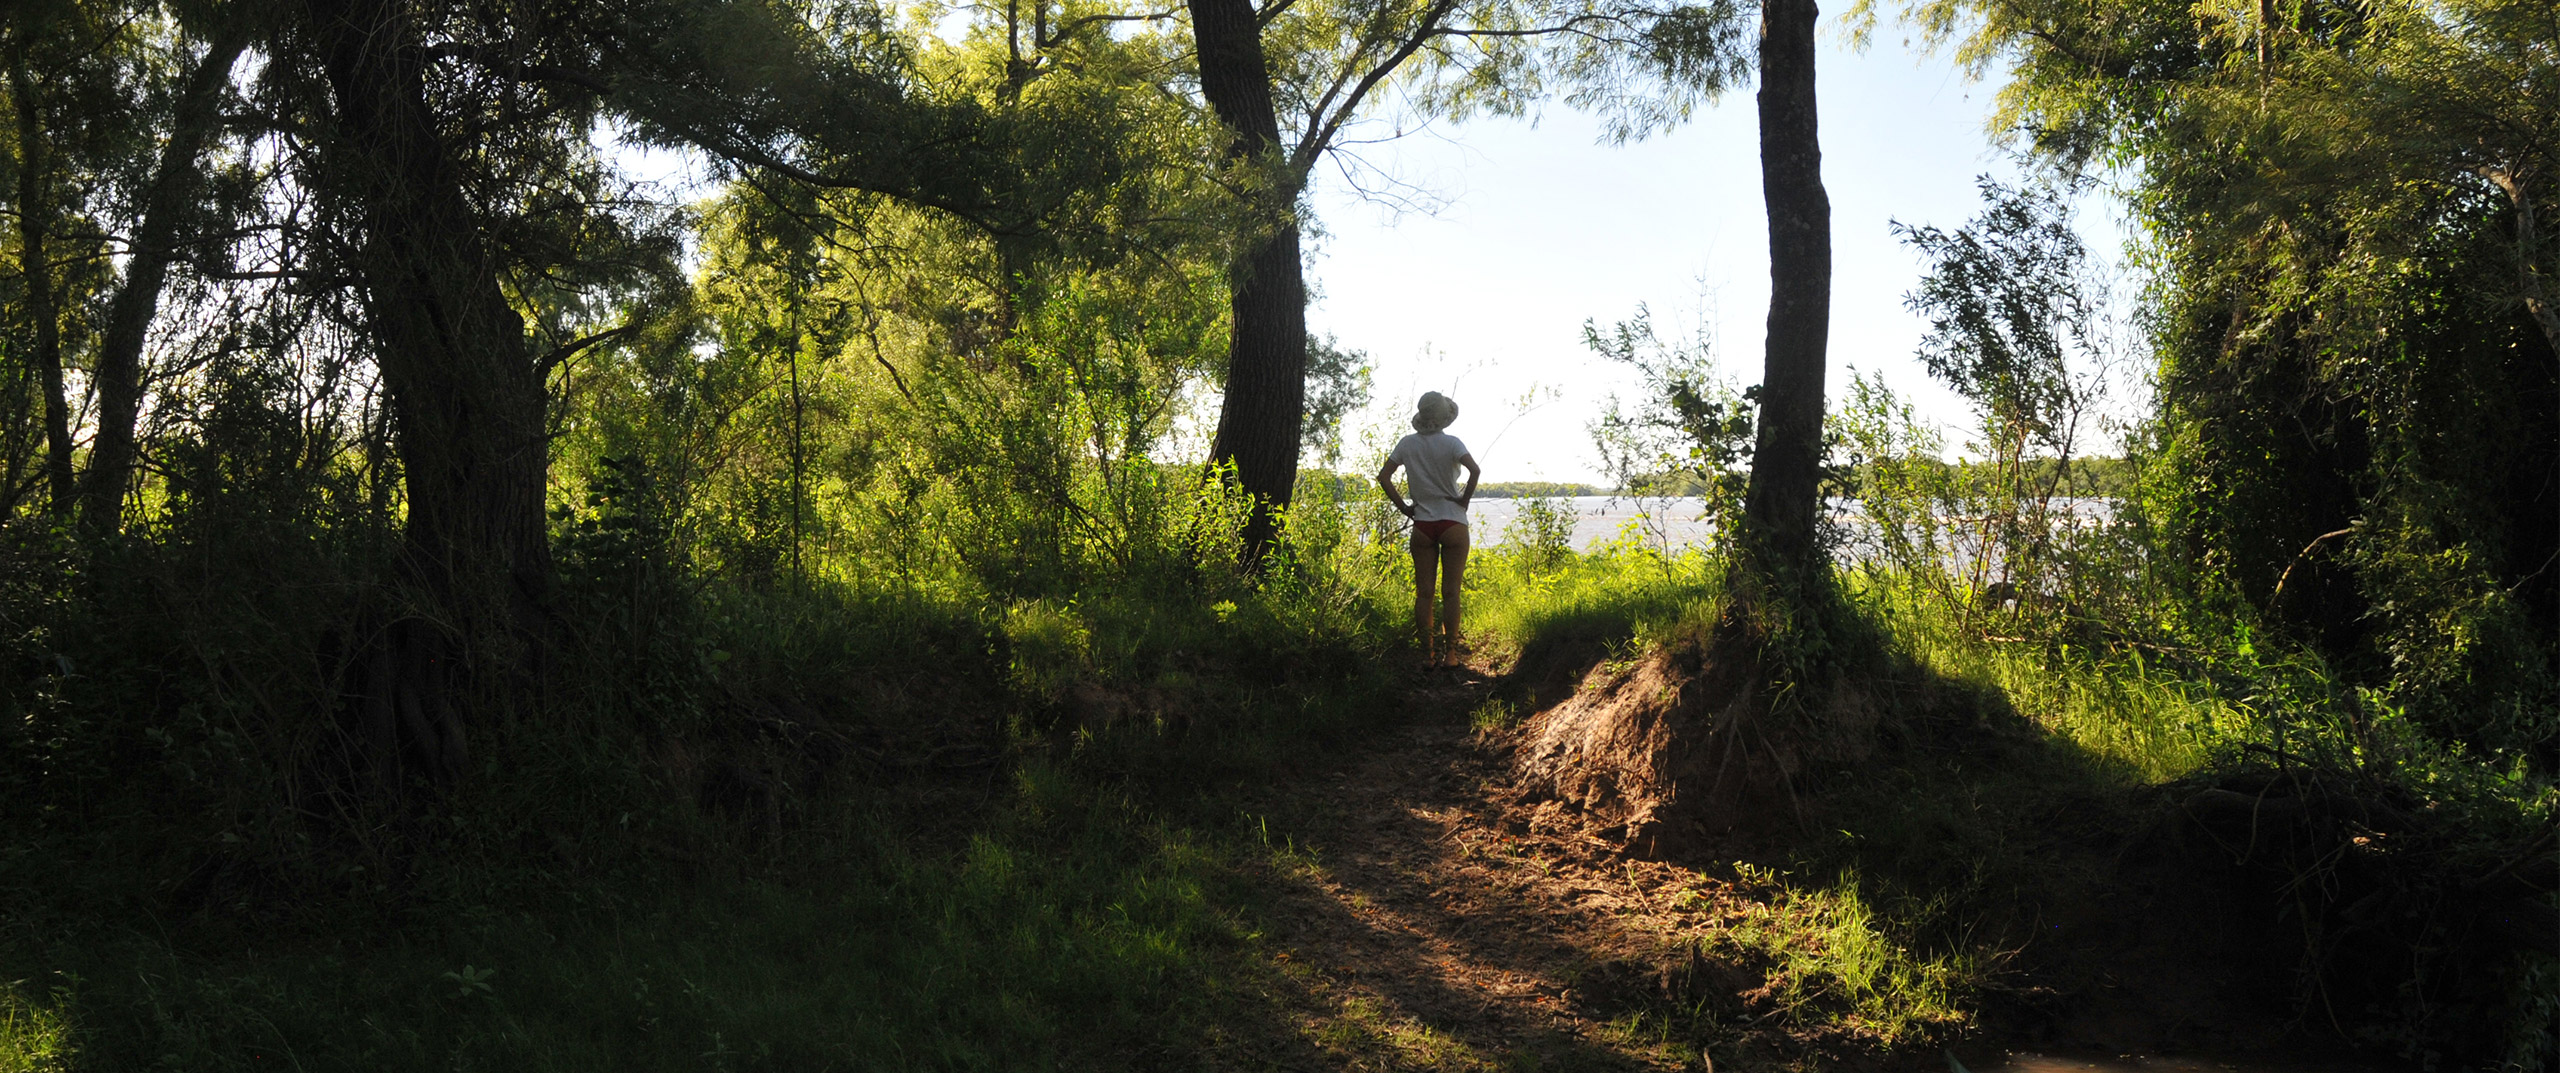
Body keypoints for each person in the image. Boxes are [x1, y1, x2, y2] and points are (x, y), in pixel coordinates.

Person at [1377, 391, 1481, 666]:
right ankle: (1451, 656)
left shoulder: (1407, 444)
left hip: (1423, 524)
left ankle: (1427, 655)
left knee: (1424, 593)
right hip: (1453, 522)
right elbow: (1475, 471)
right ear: (1444, 419)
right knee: (1451, 593)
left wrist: (1404, 507)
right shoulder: (1453, 444)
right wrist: (1464, 500)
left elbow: (1383, 477)